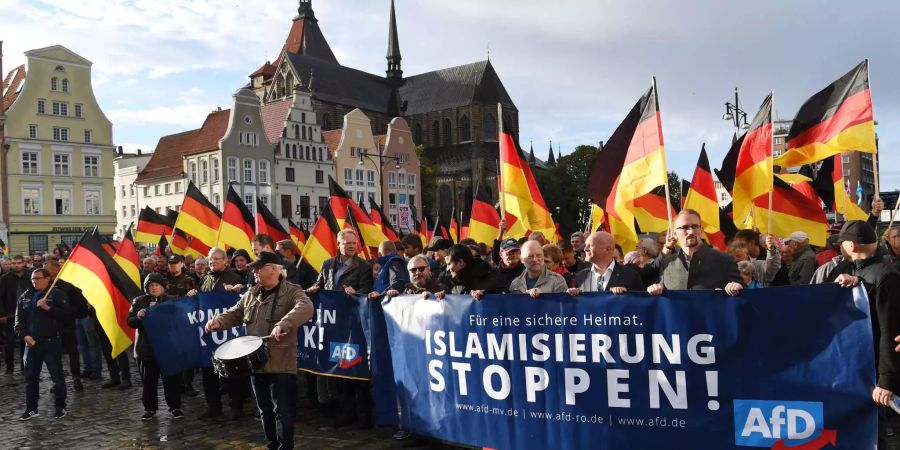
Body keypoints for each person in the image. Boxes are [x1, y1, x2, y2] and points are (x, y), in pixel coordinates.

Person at [205, 251, 314, 450]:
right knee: (264, 410)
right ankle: (272, 445)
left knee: (282, 410)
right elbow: (235, 313)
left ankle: (285, 447)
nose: (253, 271)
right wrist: (219, 321)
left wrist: (284, 323)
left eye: (258, 268)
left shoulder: (292, 291)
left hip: (281, 362)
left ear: (274, 269)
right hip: (255, 362)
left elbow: (306, 307)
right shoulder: (251, 293)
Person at [816, 220, 900, 448]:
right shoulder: (845, 268)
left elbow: (889, 333)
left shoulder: (886, 276)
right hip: (853, 370)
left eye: (842, 243)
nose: (840, 247)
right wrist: (848, 283)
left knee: (881, 435)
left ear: (851, 245)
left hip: (875, 378)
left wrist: (886, 381)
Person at [307, 229, 374, 429]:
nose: (352, 246)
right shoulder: (328, 264)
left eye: (354, 243)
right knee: (340, 371)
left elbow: (367, 290)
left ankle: (364, 416)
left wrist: (357, 292)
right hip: (334, 325)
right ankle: (347, 413)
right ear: (339, 244)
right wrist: (314, 288)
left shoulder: (363, 266)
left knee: (357, 370)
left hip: (354, 325)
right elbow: (320, 283)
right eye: (347, 243)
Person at [195, 247, 249, 420]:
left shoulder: (235, 277)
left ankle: (237, 406)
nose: (213, 262)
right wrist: (193, 295)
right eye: (210, 259)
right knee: (208, 370)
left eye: (217, 259)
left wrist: (237, 290)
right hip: (209, 331)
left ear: (226, 261)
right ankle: (213, 406)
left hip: (229, 333)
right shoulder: (204, 279)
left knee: (234, 370)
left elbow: (243, 301)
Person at [127, 273, 184, 420]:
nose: (154, 287)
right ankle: (150, 409)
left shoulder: (172, 300)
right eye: (151, 285)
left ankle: (175, 407)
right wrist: (139, 316)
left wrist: (158, 309)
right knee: (148, 382)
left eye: (157, 285)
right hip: (146, 349)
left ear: (162, 287)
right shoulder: (139, 301)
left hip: (168, 348)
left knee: (171, 380)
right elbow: (130, 321)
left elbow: (179, 319)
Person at [16, 268, 71, 420]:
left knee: (56, 376)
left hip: (51, 342)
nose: (35, 281)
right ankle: (31, 408)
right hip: (31, 343)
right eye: (33, 279)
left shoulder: (57, 294)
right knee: (31, 378)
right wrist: (24, 335)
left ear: (47, 279)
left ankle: (61, 407)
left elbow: (67, 316)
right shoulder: (25, 296)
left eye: (38, 278)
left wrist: (48, 308)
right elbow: (18, 320)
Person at [646, 209, 744, 295]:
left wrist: (737, 287)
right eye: (684, 227)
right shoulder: (666, 264)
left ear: (701, 230)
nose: (691, 231)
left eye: (695, 226)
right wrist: (654, 289)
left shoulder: (725, 260)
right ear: (674, 233)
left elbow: (744, 294)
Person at [45, 260, 88, 392]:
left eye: (47, 268)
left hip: (67, 326)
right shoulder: (44, 287)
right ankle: (56, 380)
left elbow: (80, 307)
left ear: (56, 270)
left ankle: (76, 378)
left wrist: (68, 313)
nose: (44, 269)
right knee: (53, 355)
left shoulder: (69, 286)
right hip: (50, 327)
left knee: (73, 353)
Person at [568, 231, 643, 295]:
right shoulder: (580, 277)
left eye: (589, 246)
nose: (585, 249)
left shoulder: (630, 275)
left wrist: (625, 296)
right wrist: (572, 295)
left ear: (607, 249)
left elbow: (638, 305)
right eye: (585, 245)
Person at [1, 254, 32, 374]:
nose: (16, 265)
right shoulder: (5, 278)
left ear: (23, 263)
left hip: (27, 315)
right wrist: (2, 314)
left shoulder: (30, 276)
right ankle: (10, 368)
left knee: (26, 342)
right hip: (10, 315)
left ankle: (25, 367)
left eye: (19, 263)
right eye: (14, 263)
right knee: (9, 343)